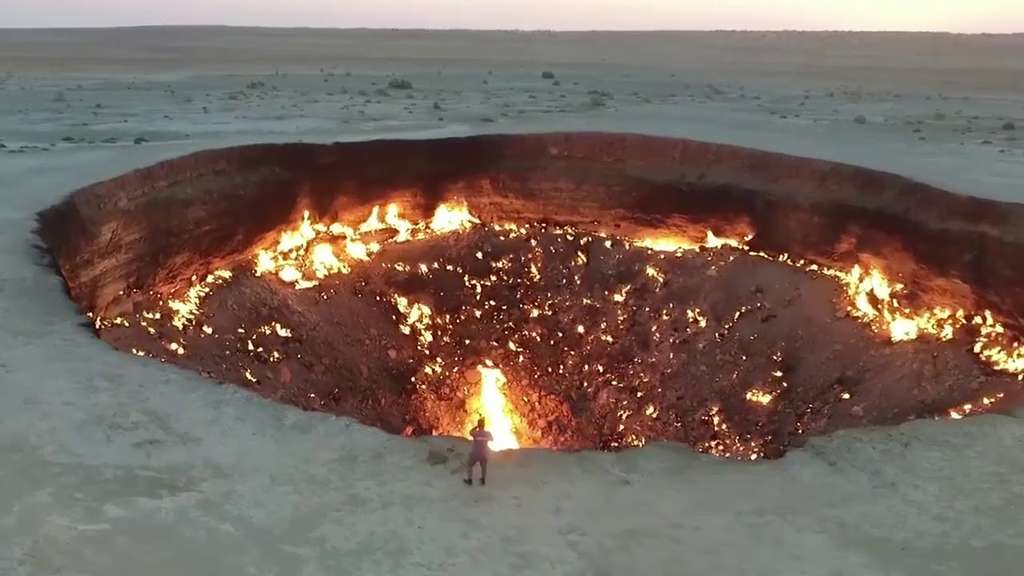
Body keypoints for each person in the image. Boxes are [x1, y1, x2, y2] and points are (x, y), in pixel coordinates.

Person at [464, 418, 493, 486]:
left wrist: (476, 427)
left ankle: (469, 480)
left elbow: (470, 432)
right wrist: (485, 438)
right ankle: (483, 479)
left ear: (478, 425)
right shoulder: (487, 433)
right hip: (483, 454)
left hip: (475, 453)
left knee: (469, 465)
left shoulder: (475, 433)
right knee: (483, 467)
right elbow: (491, 439)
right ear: (484, 425)